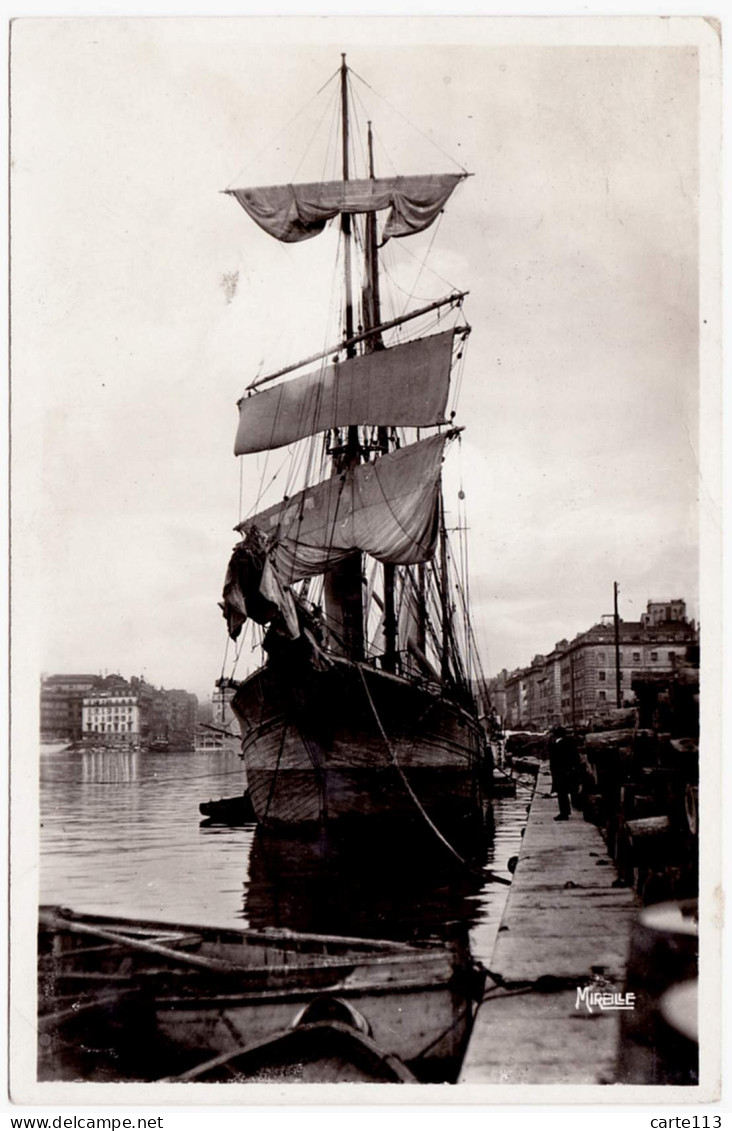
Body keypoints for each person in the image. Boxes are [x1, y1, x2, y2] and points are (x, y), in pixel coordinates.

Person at [549, 725, 578, 821]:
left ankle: (564, 813)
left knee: (562, 793)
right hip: (561, 771)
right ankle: (565, 811)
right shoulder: (565, 743)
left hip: (561, 772)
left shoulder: (562, 744)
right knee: (562, 793)